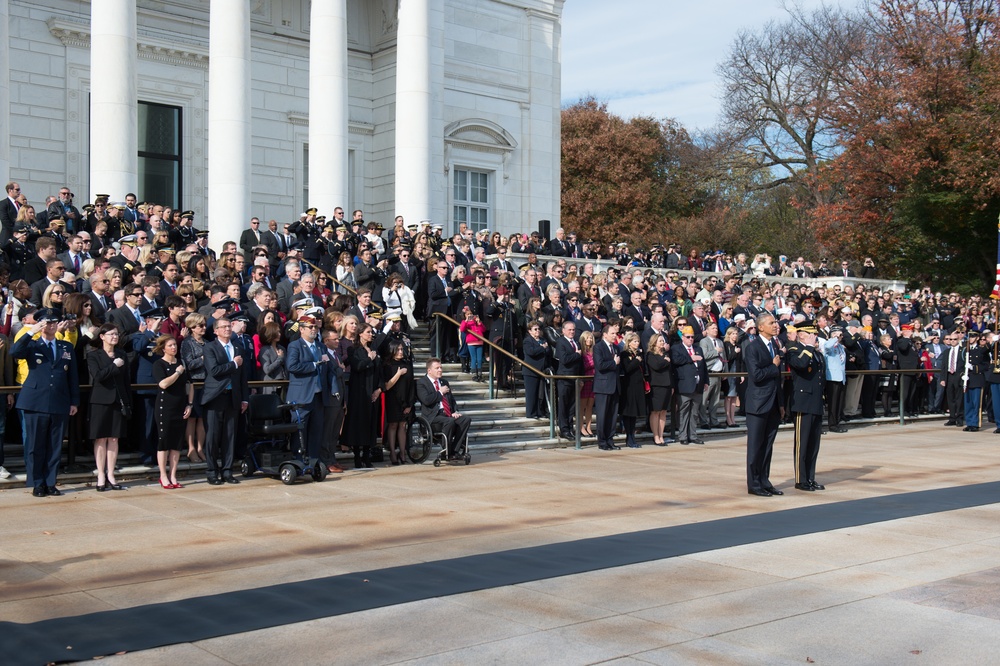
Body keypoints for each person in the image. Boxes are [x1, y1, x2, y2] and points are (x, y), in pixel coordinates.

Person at [12, 309, 80, 497]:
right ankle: (37, 482)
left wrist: (74, 401)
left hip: (59, 400)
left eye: (54, 322)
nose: (51, 325)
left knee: (54, 445)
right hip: (35, 401)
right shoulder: (33, 345)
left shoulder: (65, 347)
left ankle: (50, 482)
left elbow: (72, 376)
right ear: (41, 324)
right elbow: (15, 351)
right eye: (47, 322)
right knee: (35, 445)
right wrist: (31, 331)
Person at [201, 317, 250, 485]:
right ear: (215, 331)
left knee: (230, 436)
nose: (227, 329)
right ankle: (212, 471)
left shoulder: (238, 348)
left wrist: (245, 398)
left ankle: (227, 471)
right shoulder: (210, 348)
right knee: (213, 436)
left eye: (229, 326)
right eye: (223, 327)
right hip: (215, 397)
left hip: (233, 396)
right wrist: (233, 364)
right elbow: (214, 370)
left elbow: (243, 376)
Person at [744, 313, 785, 497]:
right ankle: (754, 484)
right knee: (755, 446)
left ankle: (764, 480)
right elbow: (756, 375)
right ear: (761, 327)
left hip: (773, 403)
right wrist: (774, 366)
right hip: (758, 404)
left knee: (768, 446)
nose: (776, 325)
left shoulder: (774, 345)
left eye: (776, 322)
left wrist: (781, 403)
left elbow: (778, 379)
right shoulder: (753, 347)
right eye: (772, 323)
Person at [87, 323, 131, 491]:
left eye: (116, 334)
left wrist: (128, 402)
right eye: (111, 334)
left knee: (114, 438)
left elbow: (126, 380)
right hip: (100, 400)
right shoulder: (94, 355)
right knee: (101, 437)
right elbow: (98, 377)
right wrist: (114, 366)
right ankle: (100, 474)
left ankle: (111, 474)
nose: (115, 337)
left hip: (118, 400)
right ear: (102, 336)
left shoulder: (122, 354)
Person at [285, 314, 331, 464]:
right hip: (301, 395)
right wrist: (312, 366)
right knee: (300, 430)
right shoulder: (295, 345)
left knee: (316, 430)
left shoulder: (321, 346)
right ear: (302, 329)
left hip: (318, 395)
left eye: (315, 327)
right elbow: (291, 366)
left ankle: (314, 461)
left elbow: (326, 366)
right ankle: (298, 461)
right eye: (310, 327)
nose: (314, 329)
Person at [787, 325, 827, 491]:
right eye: (811, 334)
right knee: (802, 443)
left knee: (813, 444)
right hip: (803, 401)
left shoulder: (816, 353)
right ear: (802, 335)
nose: (814, 337)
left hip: (816, 400)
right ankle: (800, 479)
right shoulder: (794, 350)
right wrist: (809, 348)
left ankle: (810, 477)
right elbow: (801, 365)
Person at [152, 335, 193, 489]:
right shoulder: (159, 364)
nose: (174, 348)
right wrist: (177, 373)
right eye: (170, 345)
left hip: (180, 406)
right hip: (165, 407)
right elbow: (163, 384)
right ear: (163, 348)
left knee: (176, 443)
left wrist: (190, 404)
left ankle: (173, 475)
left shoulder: (181, 363)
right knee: (164, 441)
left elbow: (189, 385)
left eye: (175, 345)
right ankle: (163, 475)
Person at [416, 357, 472, 459]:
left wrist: (454, 411)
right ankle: (446, 451)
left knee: (465, 419)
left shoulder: (444, 382)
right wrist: (440, 392)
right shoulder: (421, 383)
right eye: (437, 368)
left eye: (441, 367)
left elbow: (451, 400)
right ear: (429, 370)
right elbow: (426, 400)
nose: (440, 370)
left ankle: (454, 451)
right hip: (433, 417)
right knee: (449, 421)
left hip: (447, 415)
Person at [346, 323, 383, 468]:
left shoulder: (374, 349)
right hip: (359, 391)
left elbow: (380, 371)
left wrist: (379, 389)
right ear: (360, 333)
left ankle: (367, 456)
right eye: (368, 332)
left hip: (372, 390)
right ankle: (357, 456)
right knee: (358, 423)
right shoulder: (353, 349)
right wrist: (369, 359)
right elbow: (357, 366)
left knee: (370, 423)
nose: (371, 334)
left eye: (371, 332)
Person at [670, 325, 708, 445]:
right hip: (684, 385)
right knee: (684, 412)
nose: (691, 339)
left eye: (692, 337)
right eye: (688, 337)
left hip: (698, 385)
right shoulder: (676, 348)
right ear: (683, 338)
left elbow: (704, 367)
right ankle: (683, 436)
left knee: (695, 412)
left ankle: (693, 435)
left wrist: (706, 381)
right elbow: (676, 361)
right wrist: (690, 358)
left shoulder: (698, 349)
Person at [180, 313, 208, 462]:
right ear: (192, 328)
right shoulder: (187, 343)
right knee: (192, 417)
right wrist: (203, 359)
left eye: (204, 325)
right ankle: (191, 449)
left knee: (202, 418)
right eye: (200, 325)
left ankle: (200, 448)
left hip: (206, 383)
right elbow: (189, 364)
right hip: (193, 383)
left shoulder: (208, 343)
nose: (203, 328)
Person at [382, 340, 415, 465]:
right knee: (393, 425)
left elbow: (411, 385)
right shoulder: (387, 365)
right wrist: (398, 373)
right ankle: (392, 452)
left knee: (402, 425)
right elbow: (387, 386)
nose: (401, 352)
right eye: (398, 349)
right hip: (392, 399)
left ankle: (402, 452)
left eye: (402, 349)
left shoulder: (407, 364)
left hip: (405, 400)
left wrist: (410, 404)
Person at [593, 320, 622, 451]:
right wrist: (613, 363)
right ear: (605, 334)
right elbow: (600, 365)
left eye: (616, 333)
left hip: (614, 385)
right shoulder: (598, 347)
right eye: (612, 333)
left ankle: (610, 440)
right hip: (603, 386)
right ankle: (602, 441)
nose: (615, 335)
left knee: (612, 415)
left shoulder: (616, 348)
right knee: (603, 415)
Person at [618, 331, 647, 448]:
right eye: (634, 341)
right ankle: (628, 437)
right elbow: (627, 368)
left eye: (638, 341)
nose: (637, 343)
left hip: (638, 385)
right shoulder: (624, 354)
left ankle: (632, 437)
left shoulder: (639, 353)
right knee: (628, 413)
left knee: (634, 414)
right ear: (629, 343)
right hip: (628, 386)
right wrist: (637, 360)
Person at [555, 319, 582, 439]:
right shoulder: (561, 342)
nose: (572, 332)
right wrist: (576, 354)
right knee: (564, 405)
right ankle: (564, 429)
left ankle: (570, 427)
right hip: (565, 377)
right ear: (563, 331)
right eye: (569, 330)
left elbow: (580, 362)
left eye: (573, 330)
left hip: (575, 377)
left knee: (572, 405)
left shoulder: (576, 342)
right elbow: (564, 359)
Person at [645, 334, 674, 445]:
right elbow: (656, 366)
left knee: (663, 412)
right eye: (660, 341)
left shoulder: (666, 354)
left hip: (667, 385)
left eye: (663, 341)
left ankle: (661, 436)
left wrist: (672, 386)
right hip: (656, 386)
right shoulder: (650, 355)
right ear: (654, 342)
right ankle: (655, 436)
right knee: (655, 411)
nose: (662, 343)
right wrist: (666, 361)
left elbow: (669, 371)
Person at [521, 320, 549, 420]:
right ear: (530, 331)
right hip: (530, 371)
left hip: (541, 370)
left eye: (538, 329)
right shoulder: (527, 340)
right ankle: (531, 412)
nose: (537, 331)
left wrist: (543, 347)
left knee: (539, 393)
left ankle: (538, 411)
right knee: (531, 393)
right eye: (535, 329)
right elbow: (531, 352)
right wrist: (542, 348)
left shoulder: (542, 339)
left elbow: (548, 350)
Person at [458, 308, 487, 381]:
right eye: (468, 314)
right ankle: (474, 373)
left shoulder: (476, 322)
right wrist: (466, 320)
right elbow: (462, 329)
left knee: (479, 359)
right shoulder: (465, 322)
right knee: (473, 358)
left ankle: (480, 373)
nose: (470, 315)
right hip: (471, 343)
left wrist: (479, 322)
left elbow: (483, 330)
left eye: (471, 314)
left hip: (479, 342)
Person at [578, 331, 596, 437]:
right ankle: (581, 427)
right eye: (587, 338)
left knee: (590, 406)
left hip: (594, 380)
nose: (589, 340)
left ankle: (589, 427)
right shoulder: (582, 352)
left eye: (591, 338)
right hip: (585, 380)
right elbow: (584, 366)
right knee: (582, 406)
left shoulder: (594, 351)